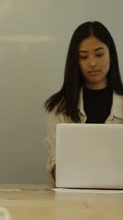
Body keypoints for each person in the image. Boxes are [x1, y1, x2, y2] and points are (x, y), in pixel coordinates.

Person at [44, 21, 123, 181]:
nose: (92, 63)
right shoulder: (58, 107)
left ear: (111, 55)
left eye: (99, 54)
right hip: (72, 198)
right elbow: (56, 169)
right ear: (75, 61)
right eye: (83, 56)